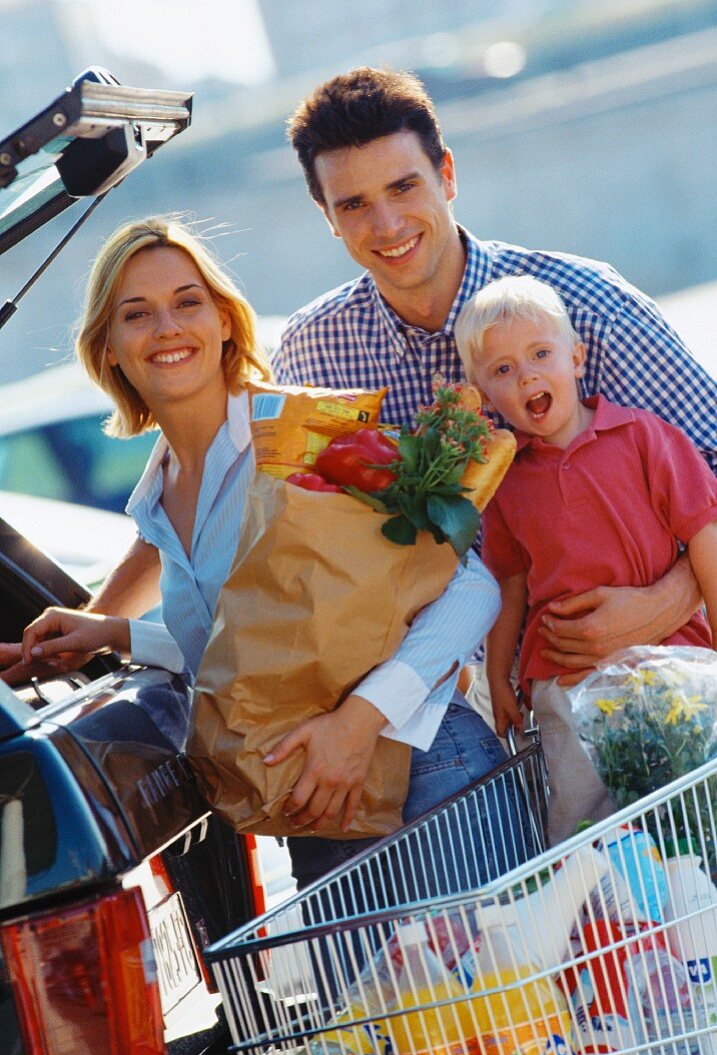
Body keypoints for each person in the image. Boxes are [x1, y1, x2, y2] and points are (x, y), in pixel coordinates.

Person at [2, 214, 521, 892]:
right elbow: (253, 650)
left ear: (224, 322)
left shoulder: (302, 437)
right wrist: (118, 633)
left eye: (187, 302)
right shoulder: (155, 503)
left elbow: (469, 589)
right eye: (137, 314)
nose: (167, 328)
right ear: (107, 350)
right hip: (312, 805)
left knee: (500, 1000)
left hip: (424, 774)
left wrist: (356, 725)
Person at [272, 66, 717, 714]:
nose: (387, 223)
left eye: (403, 186)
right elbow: (313, 546)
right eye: (354, 204)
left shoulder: (585, 306)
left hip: (656, 671)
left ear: (446, 174)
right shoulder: (311, 353)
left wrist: (669, 599)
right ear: (327, 217)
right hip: (432, 700)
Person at [454, 273, 717, 841]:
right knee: (583, 829)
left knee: (695, 817)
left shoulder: (645, 437)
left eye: (540, 354)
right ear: (484, 393)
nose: (526, 375)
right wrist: (498, 677)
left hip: (671, 666)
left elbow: (705, 538)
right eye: (502, 370)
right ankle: (615, 922)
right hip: (563, 683)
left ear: (576, 358)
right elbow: (508, 582)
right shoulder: (505, 481)